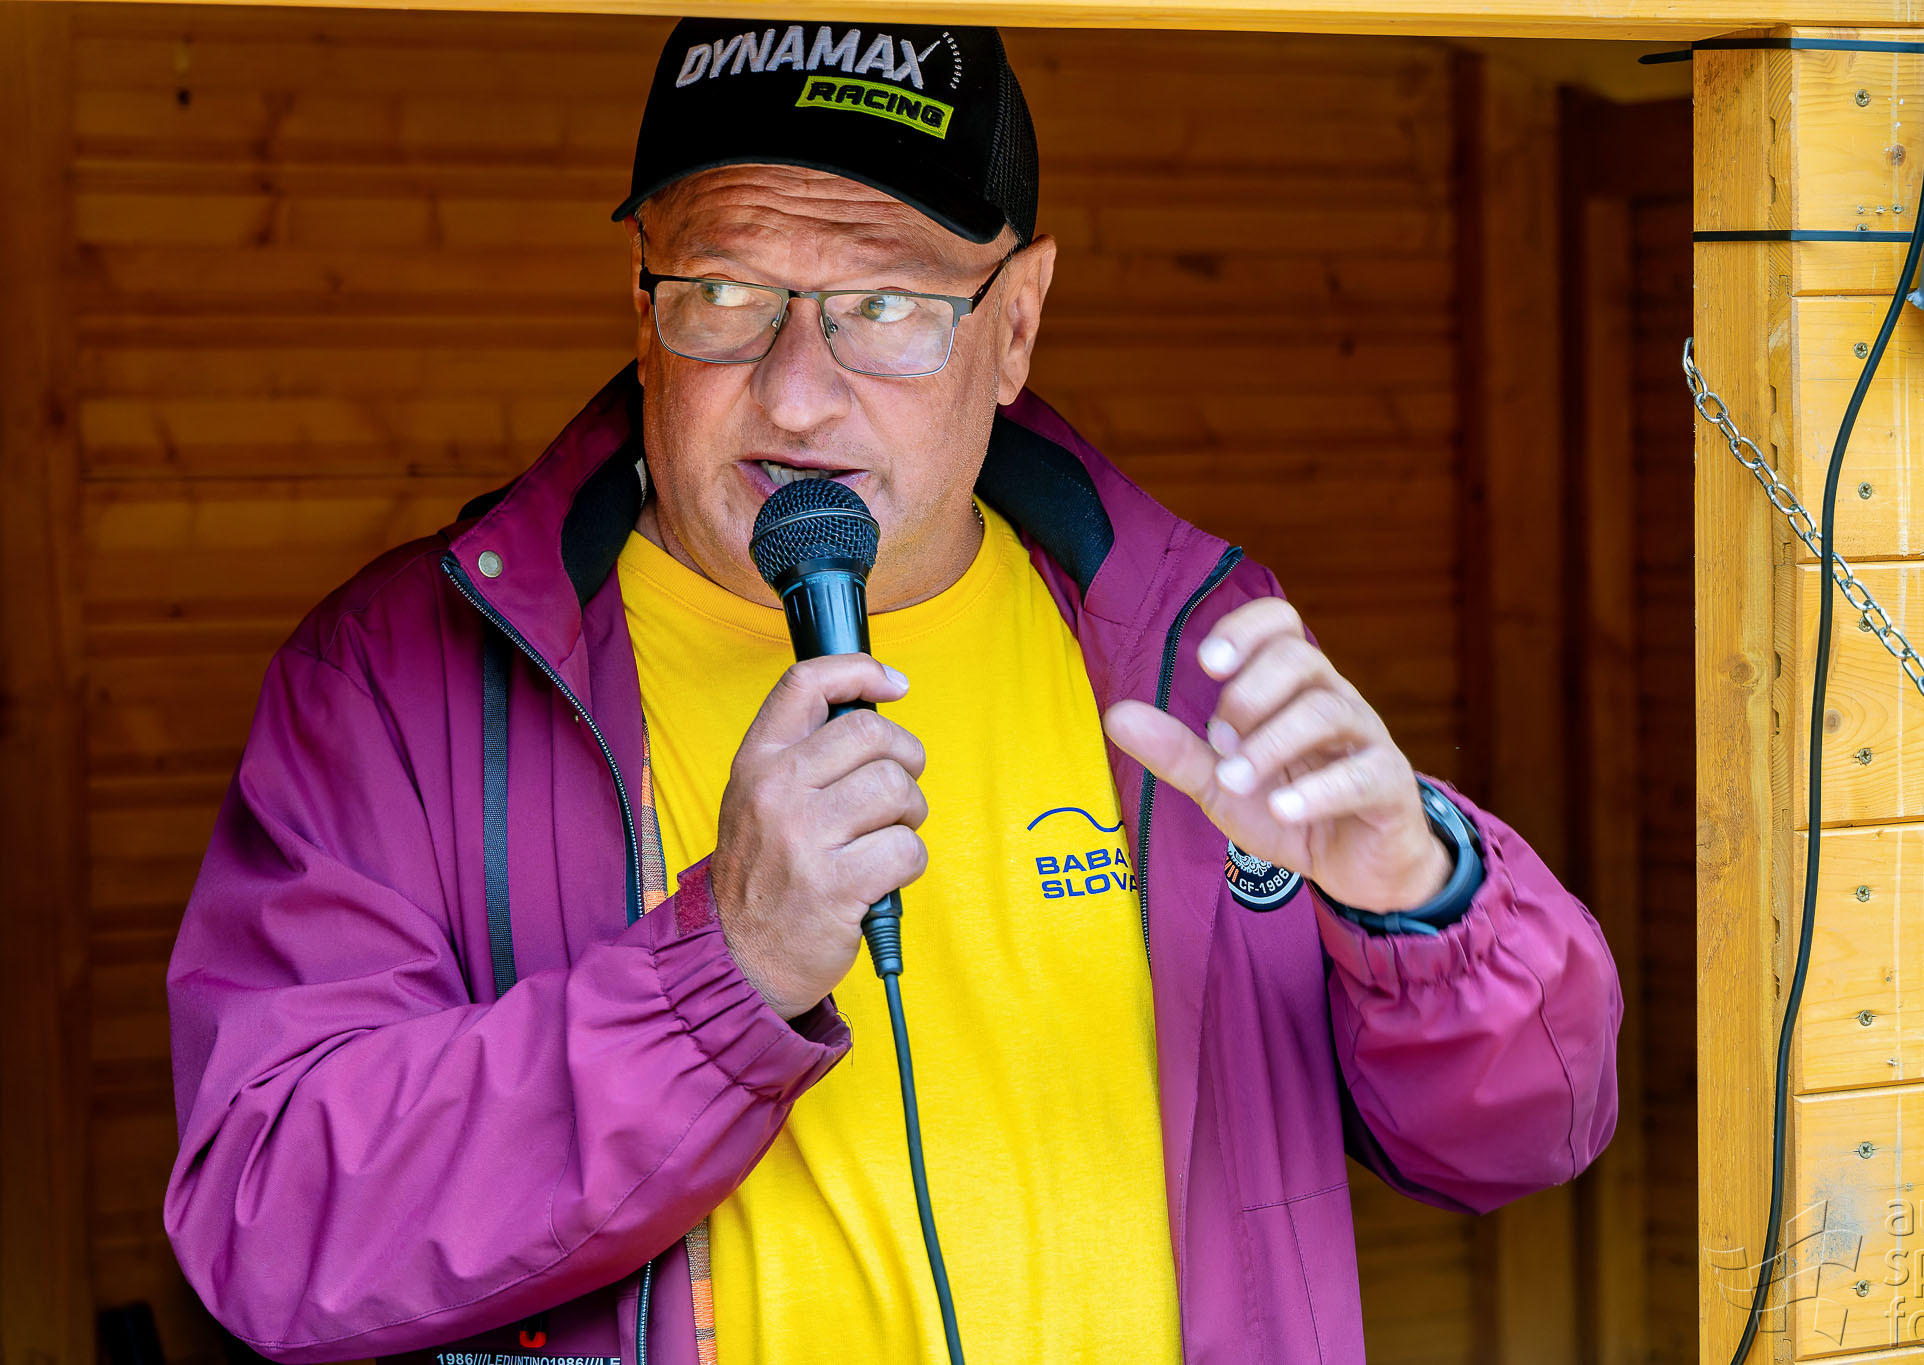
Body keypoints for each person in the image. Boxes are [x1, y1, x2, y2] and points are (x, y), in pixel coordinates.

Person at [164, 18, 1622, 1365]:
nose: (798, 392)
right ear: (641, 300)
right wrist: (724, 979)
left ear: (1017, 320)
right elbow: (269, 1221)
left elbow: (1526, 1136)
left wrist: (1423, 911)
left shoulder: (1196, 647)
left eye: (885, 303)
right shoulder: (401, 681)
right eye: (726, 292)